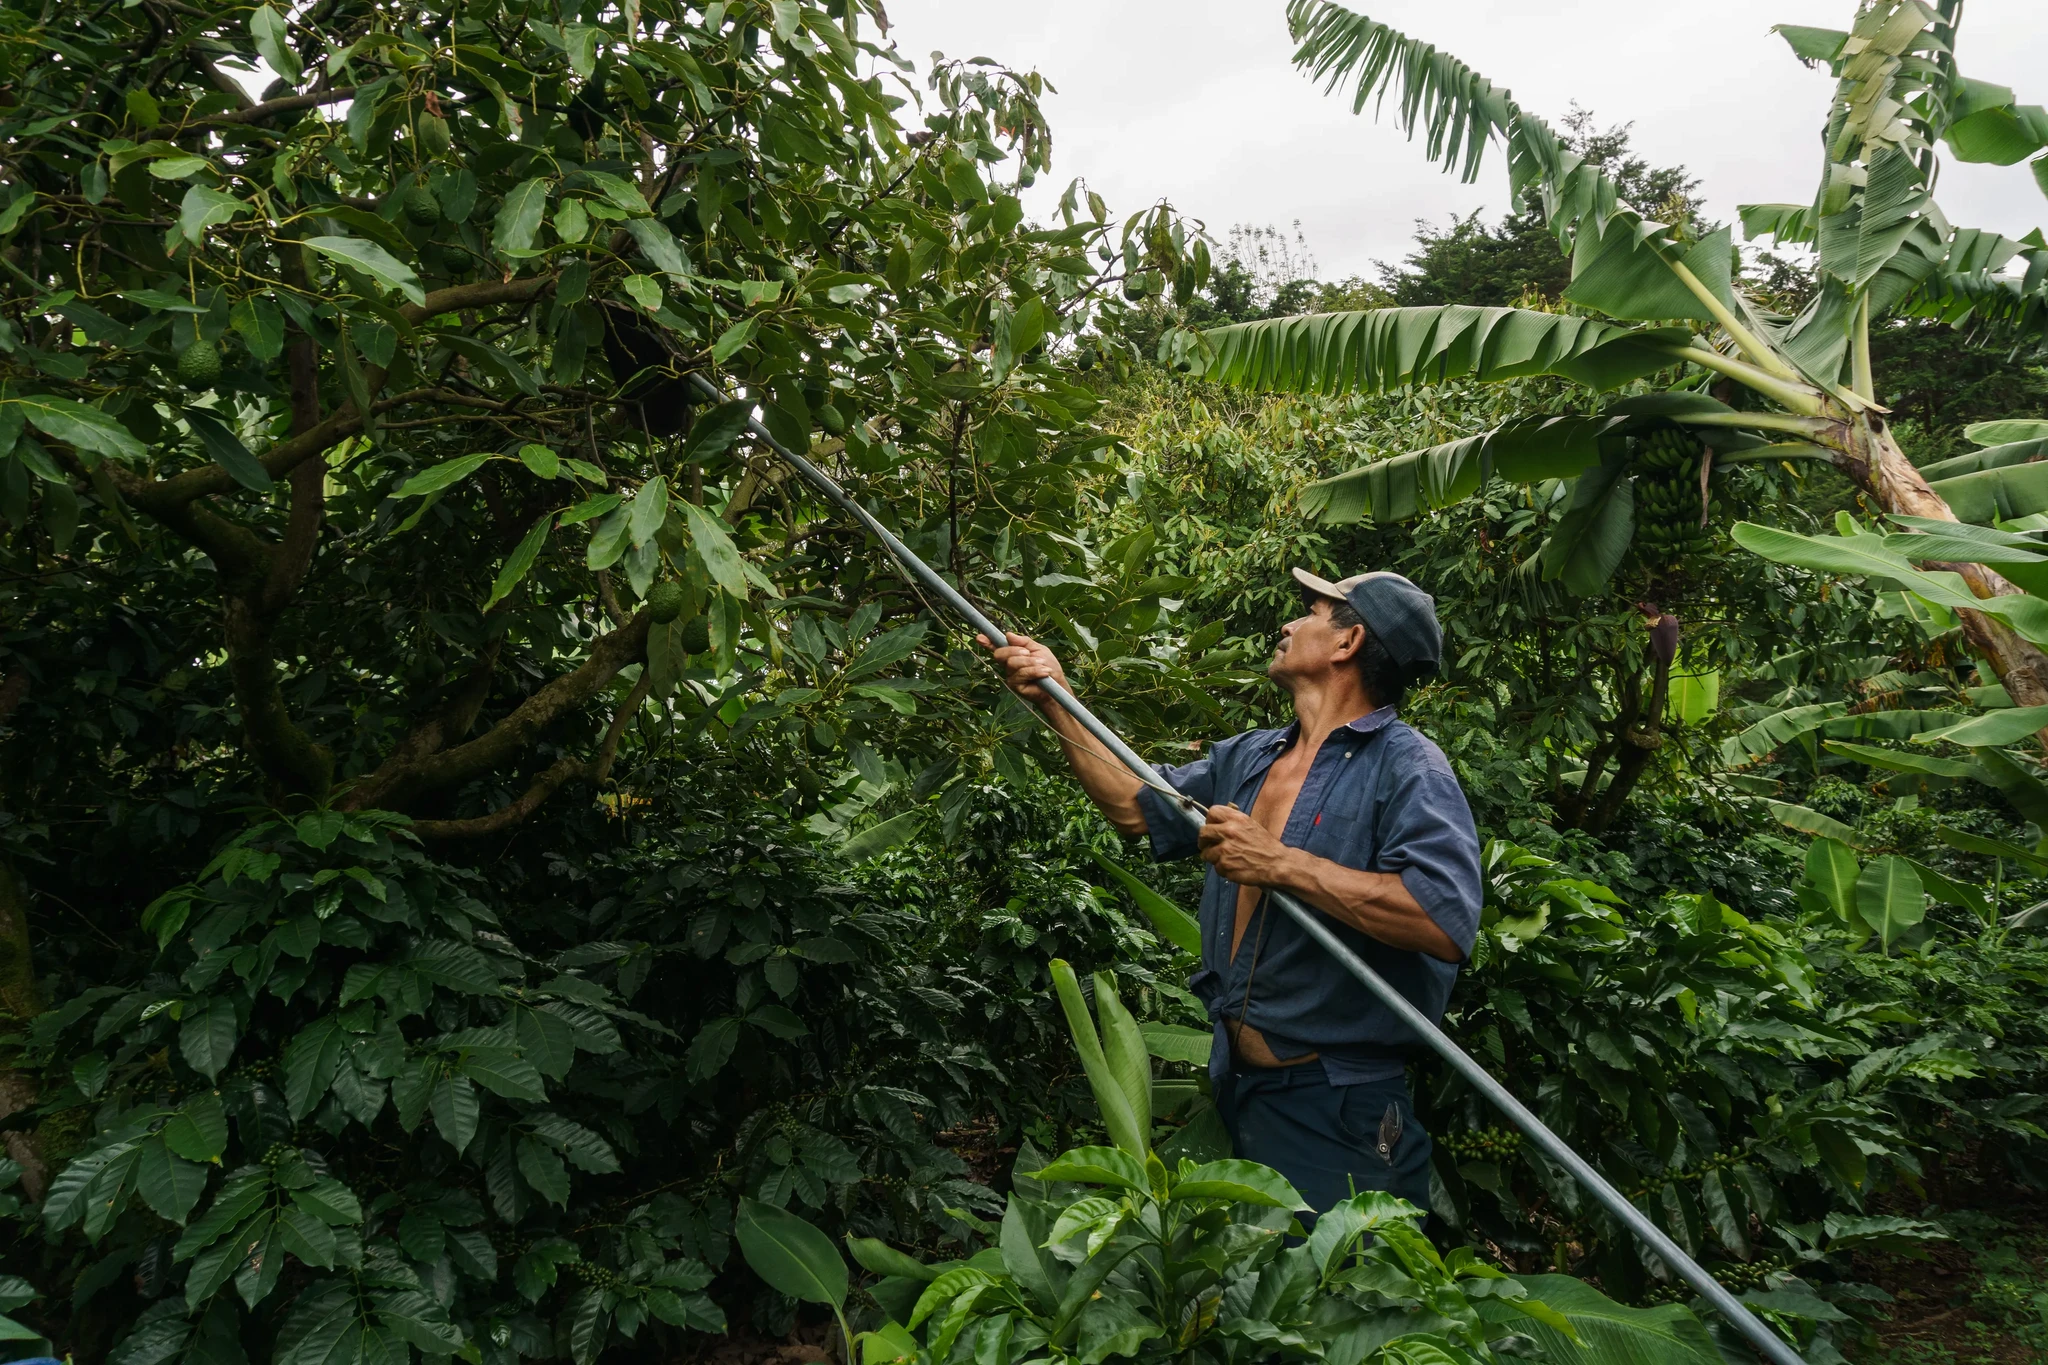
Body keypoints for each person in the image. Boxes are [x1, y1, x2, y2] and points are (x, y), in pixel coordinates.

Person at [982, 568, 1482, 1217]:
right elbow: (1133, 805)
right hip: (1238, 1089)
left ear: (1348, 641)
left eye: (1312, 611)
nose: (1289, 622)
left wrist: (1282, 863)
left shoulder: (1408, 767)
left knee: (1339, 1299)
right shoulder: (1251, 756)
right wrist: (1054, 694)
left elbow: (1442, 918)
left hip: (1336, 1108)